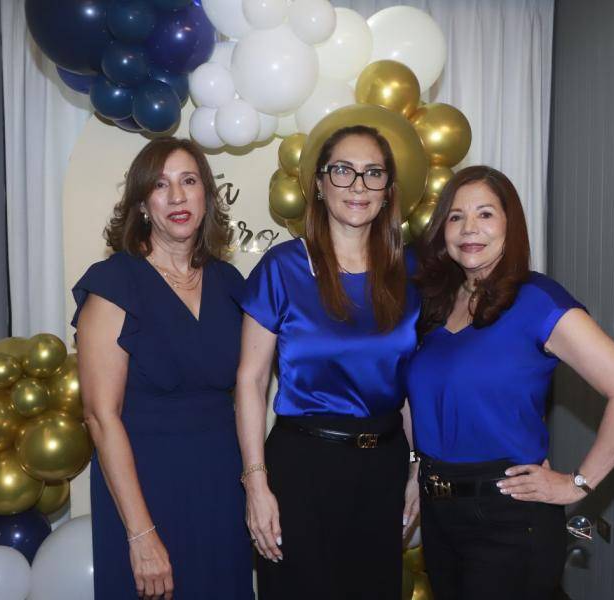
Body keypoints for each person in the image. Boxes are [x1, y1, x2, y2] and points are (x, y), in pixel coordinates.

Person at [408, 165, 614, 600]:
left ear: (511, 226)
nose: (470, 228)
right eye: (456, 216)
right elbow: (424, 402)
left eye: (485, 214)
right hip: (439, 513)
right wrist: (417, 469)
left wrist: (577, 483)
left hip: (507, 516)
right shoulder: (436, 305)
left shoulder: (537, 300)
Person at [235, 125, 421, 600]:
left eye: (372, 174)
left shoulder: (412, 275)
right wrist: (256, 483)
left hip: (384, 467)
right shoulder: (282, 268)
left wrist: (417, 471)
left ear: (388, 190)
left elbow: (411, 386)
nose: (358, 187)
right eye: (343, 171)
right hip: (302, 470)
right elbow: (251, 381)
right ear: (318, 184)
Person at [72, 137, 253, 600]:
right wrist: (139, 533)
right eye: (160, 185)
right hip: (146, 491)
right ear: (142, 204)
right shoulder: (114, 285)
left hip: (220, 488)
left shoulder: (228, 282)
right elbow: (99, 416)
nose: (176, 196)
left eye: (188, 181)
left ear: (207, 196)